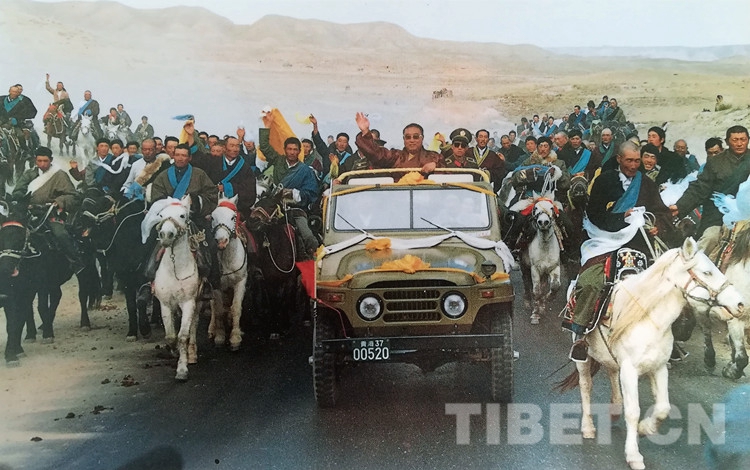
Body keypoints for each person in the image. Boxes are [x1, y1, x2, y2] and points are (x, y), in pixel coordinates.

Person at [565, 141, 677, 361]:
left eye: (637, 161)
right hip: (604, 240)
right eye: (629, 161)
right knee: (591, 282)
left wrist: (657, 225)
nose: (633, 166)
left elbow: (661, 211)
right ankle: (581, 333)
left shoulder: (647, 183)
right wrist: (621, 217)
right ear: (619, 159)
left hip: (638, 243)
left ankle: (667, 339)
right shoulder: (604, 181)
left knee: (664, 283)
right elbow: (595, 215)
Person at [12, 146, 84, 274]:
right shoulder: (29, 174)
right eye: (39, 161)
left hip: (50, 213)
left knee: (60, 234)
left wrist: (59, 202)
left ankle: (76, 261)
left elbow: (73, 195)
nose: (42, 164)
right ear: (35, 160)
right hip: (28, 212)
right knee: (10, 231)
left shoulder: (59, 175)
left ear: (51, 160)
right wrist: (21, 197)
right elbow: (18, 190)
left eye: (45, 161)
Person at [259, 113, 321, 259]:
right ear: (285, 149)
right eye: (289, 149)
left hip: (295, 210)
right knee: (256, 229)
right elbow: (265, 147)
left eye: (295, 149)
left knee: (307, 236)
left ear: (299, 151)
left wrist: (293, 193)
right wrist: (267, 126)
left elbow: (312, 193)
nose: (292, 152)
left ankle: (311, 260)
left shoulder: (305, 170)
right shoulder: (278, 160)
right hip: (274, 208)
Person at [670, 125, 750, 237]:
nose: (739, 143)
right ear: (727, 142)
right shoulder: (715, 162)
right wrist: (680, 206)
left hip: (747, 214)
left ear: (748, 140)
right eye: (735, 140)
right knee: (709, 238)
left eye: (743, 139)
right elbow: (700, 188)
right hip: (718, 213)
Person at [192, 136, 256, 220]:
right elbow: (196, 160)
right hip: (212, 208)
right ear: (224, 148)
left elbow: (250, 191)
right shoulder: (212, 162)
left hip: (235, 209)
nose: (235, 149)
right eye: (232, 146)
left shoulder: (245, 168)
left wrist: (227, 188)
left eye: (237, 146)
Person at [354, 112, 443, 172]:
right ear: (404, 139)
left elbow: (447, 175)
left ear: (422, 138)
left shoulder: (434, 157)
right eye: (408, 137)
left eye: (416, 137)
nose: (412, 140)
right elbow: (377, 154)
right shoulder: (395, 156)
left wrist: (436, 166)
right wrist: (365, 132)